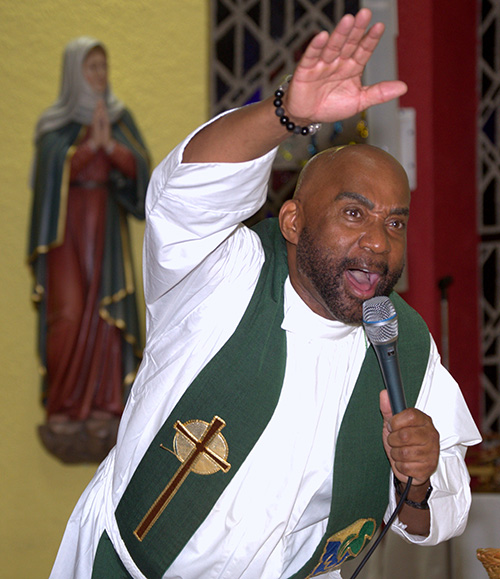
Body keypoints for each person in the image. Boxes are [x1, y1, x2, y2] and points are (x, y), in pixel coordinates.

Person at [49, 10, 480, 578]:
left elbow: (438, 512)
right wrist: (287, 115)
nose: (377, 242)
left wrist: (420, 480)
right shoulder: (221, 274)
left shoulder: (405, 346)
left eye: (395, 223)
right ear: (294, 221)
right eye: (354, 213)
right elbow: (186, 192)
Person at [28, 37, 151, 463]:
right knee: (67, 314)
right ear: (73, 73)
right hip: (67, 234)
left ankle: (105, 405)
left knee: (106, 318)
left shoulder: (118, 119)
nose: (99, 76)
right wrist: (85, 151)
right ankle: (63, 406)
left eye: (103, 67)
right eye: (91, 68)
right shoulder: (54, 126)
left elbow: (139, 171)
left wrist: (112, 148)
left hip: (105, 228)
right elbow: (47, 179)